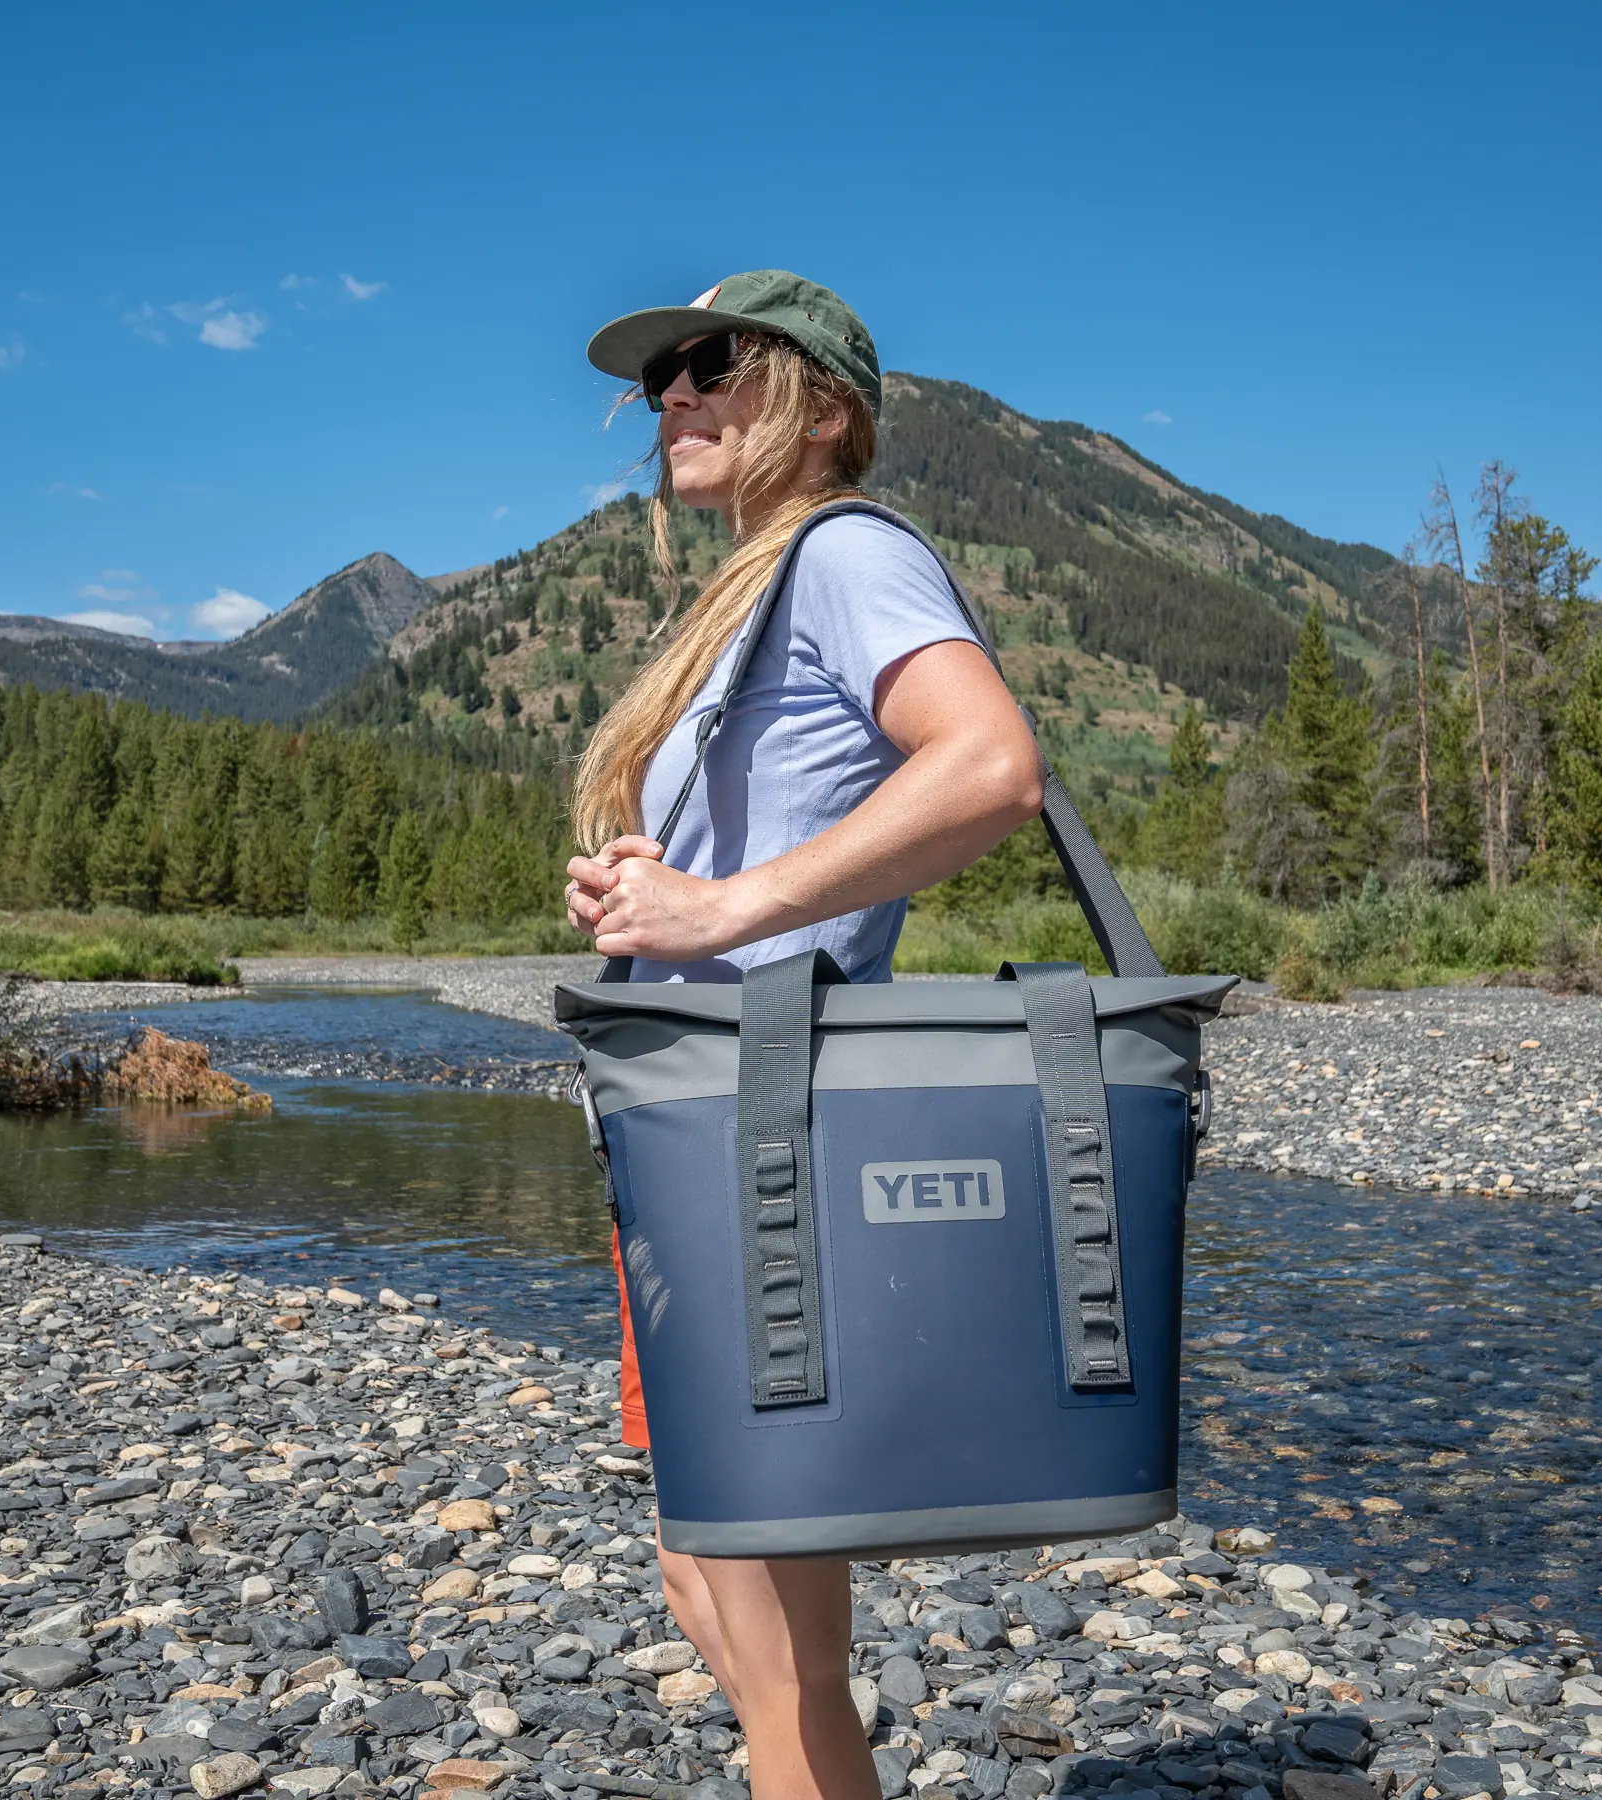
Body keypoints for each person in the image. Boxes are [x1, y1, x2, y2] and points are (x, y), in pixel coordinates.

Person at [564, 271, 1045, 1800]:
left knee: (775, 1640)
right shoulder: (757, 592)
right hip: (699, 1142)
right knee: (706, 1585)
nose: (675, 398)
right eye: (662, 380)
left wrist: (723, 911)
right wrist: (656, 892)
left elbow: (988, 767)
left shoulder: (844, 552)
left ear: (824, 411)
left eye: (714, 366)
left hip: (763, 1149)